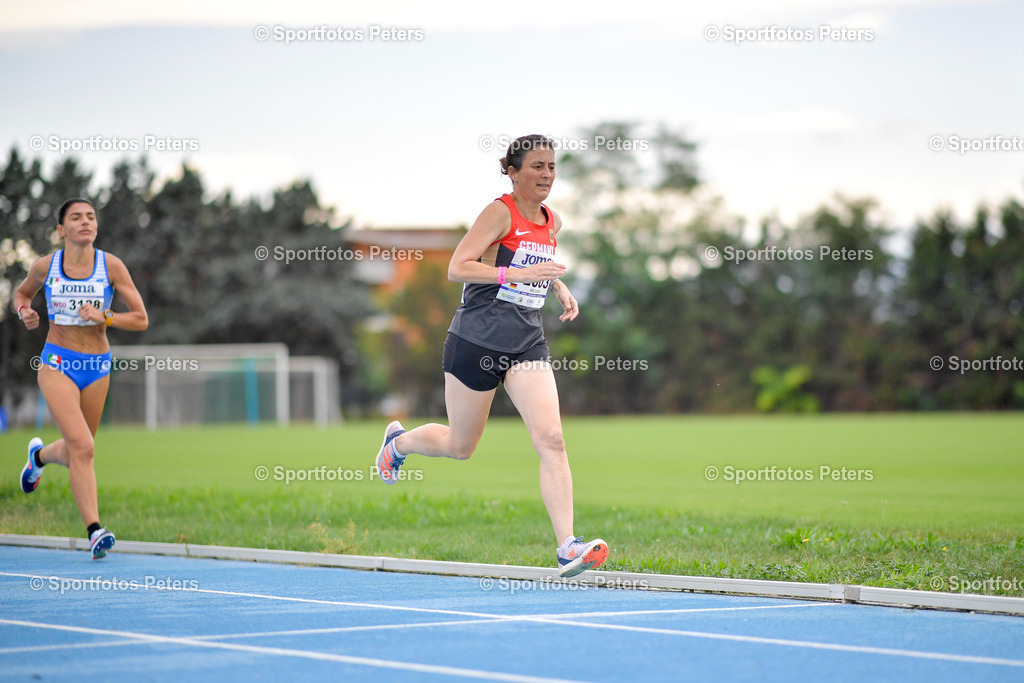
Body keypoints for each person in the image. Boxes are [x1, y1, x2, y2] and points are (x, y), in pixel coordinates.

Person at [375, 134, 607, 577]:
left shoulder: (552, 220)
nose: (546, 175)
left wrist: (555, 284)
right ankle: (399, 443)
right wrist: (522, 272)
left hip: (527, 342)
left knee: (552, 439)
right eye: (537, 166)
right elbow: (458, 267)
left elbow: (533, 268)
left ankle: (567, 546)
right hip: (476, 341)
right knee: (461, 447)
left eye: (552, 167)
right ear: (513, 170)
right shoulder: (498, 211)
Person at [14, 198, 149, 560]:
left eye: (90, 216)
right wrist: (25, 311)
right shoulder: (45, 266)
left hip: (98, 366)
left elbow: (140, 318)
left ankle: (39, 456)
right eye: (76, 217)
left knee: (80, 450)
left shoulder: (111, 266)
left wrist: (105, 316)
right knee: (84, 447)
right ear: (61, 230)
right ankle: (95, 531)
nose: (85, 222)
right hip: (57, 362)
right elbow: (22, 293)